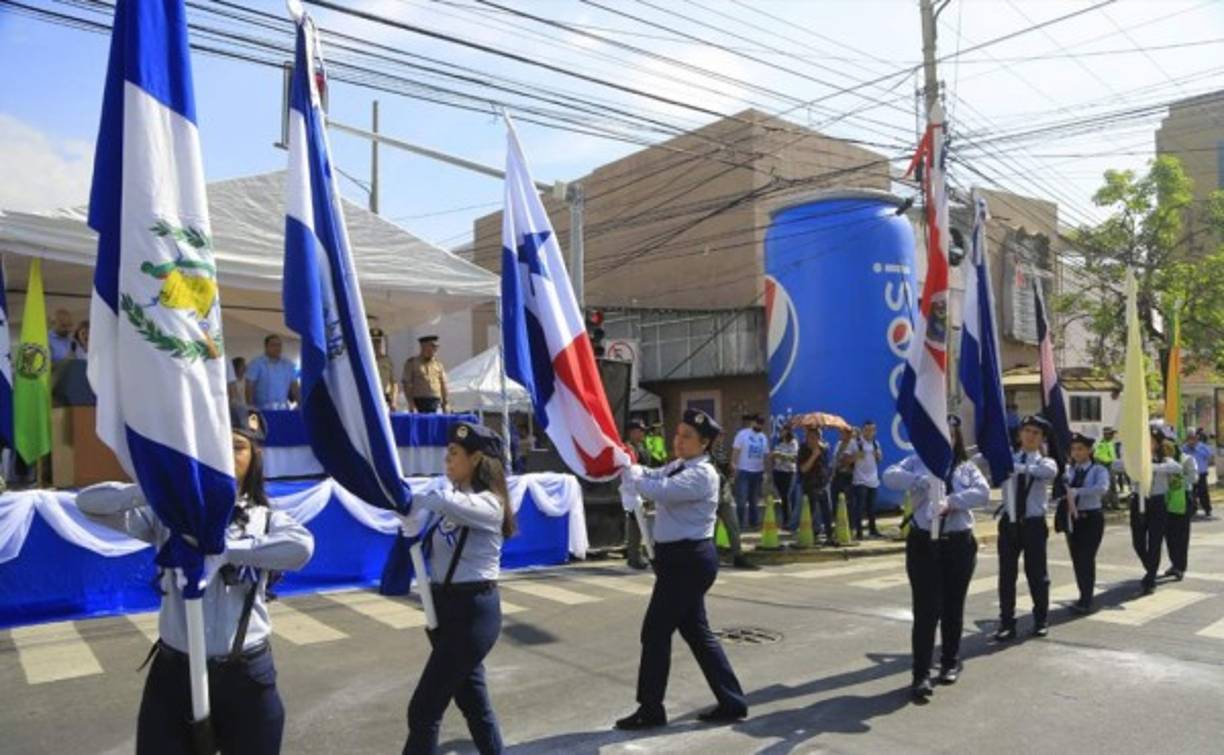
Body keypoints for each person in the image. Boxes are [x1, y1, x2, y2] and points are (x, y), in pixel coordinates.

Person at [77, 408, 314, 754]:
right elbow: (89, 504)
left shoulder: (266, 520)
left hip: (245, 674)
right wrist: (154, 488)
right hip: (175, 674)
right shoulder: (170, 516)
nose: (227, 457)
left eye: (238, 447)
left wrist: (226, 550)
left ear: (255, 457)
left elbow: (301, 548)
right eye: (217, 447)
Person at [615, 409, 748, 730]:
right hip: (678, 561)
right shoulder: (679, 466)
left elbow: (659, 491)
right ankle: (732, 701)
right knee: (697, 634)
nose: (679, 440)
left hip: (688, 562)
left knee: (655, 632)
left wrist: (633, 476)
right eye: (678, 434)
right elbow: (656, 475)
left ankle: (650, 709)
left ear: (704, 443)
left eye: (688, 437)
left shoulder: (703, 474)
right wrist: (630, 466)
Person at [404, 422, 517, 755]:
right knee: (474, 705)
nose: (447, 460)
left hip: (472, 613)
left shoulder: (489, 504)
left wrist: (411, 497)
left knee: (424, 708)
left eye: (454, 454)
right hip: (445, 611)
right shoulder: (454, 501)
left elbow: (442, 501)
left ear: (477, 458)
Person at [884, 416, 989, 700]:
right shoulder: (915, 461)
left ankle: (949, 662)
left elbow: (982, 493)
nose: (945, 440)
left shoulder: (965, 468)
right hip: (923, 544)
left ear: (956, 439)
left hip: (957, 543)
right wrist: (920, 481)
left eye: (950, 434)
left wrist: (951, 502)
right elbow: (889, 476)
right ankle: (920, 675)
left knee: (953, 607)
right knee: (926, 611)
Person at [995, 415, 1058, 641]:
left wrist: (1017, 467)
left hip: (1033, 524)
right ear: (1019, 434)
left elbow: (1047, 473)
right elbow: (983, 459)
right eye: (1027, 431)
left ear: (1042, 438)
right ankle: (1006, 622)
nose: (1030, 436)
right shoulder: (1008, 457)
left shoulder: (1045, 462)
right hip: (1009, 522)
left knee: (1037, 574)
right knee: (1006, 575)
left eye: (1036, 433)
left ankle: (1041, 619)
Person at [1112, 425, 1184, 595]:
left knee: (1154, 541)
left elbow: (1177, 468)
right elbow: (1116, 465)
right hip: (1138, 501)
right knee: (1138, 542)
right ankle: (1150, 567)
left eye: (1151, 441)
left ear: (1157, 444)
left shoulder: (1163, 460)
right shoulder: (1135, 459)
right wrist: (1134, 463)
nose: (1147, 444)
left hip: (1157, 503)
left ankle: (1150, 578)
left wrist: (1150, 467)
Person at [1062, 433, 1110, 614]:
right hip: (1073, 519)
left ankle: (1087, 598)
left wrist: (1078, 491)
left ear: (1089, 450)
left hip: (1092, 518)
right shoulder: (1070, 470)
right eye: (1074, 449)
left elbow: (1102, 489)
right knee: (1076, 558)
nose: (1076, 452)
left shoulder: (1098, 470)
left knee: (1086, 558)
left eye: (1080, 449)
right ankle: (1082, 593)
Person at [1164, 439, 1197, 581]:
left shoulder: (1187, 459)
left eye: (1168, 448)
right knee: (1169, 536)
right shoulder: (1163, 462)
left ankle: (1180, 567)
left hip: (1183, 500)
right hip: (1167, 502)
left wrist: (1179, 479)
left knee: (1181, 537)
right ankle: (1174, 563)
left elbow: (1194, 477)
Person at [795, 427, 833, 544]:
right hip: (809, 484)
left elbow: (826, 466)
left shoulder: (823, 449)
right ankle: (808, 535)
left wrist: (827, 478)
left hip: (822, 483)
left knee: (826, 511)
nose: (811, 441)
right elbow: (803, 469)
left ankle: (829, 536)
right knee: (809, 511)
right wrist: (814, 455)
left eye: (815, 438)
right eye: (809, 438)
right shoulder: (803, 449)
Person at [731, 414, 769, 530]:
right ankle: (740, 524)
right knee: (741, 500)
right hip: (744, 471)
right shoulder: (742, 434)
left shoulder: (763, 437)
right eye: (758, 422)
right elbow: (736, 451)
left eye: (762, 423)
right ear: (753, 422)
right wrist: (734, 465)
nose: (760, 425)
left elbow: (765, 455)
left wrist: (766, 471)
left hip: (758, 472)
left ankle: (754, 523)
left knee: (754, 500)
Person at [624, 419, 652, 570]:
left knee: (641, 522)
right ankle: (634, 556)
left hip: (644, 487)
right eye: (640, 430)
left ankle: (636, 554)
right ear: (631, 432)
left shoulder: (640, 446)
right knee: (636, 522)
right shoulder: (628, 448)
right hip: (634, 490)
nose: (643, 433)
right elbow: (632, 470)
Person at [246, 335, 300, 410]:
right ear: (266, 347)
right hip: (261, 409)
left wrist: (300, 404)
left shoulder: (288, 365)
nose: (277, 348)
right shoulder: (256, 364)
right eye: (273, 345)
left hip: (283, 409)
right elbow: (249, 387)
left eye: (279, 345)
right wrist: (250, 408)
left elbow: (295, 387)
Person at [849, 421, 883, 539]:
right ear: (863, 431)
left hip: (873, 480)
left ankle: (873, 530)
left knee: (872, 508)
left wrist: (878, 455)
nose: (870, 432)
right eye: (867, 429)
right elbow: (845, 460)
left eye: (872, 430)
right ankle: (859, 532)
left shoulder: (876, 443)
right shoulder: (855, 442)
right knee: (859, 507)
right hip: (860, 480)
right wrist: (855, 456)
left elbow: (879, 460)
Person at [401, 335, 449, 414]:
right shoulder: (412, 363)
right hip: (419, 401)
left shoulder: (438, 365)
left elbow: (443, 384)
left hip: (436, 401)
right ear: (423, 346)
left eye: (436, 347)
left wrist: (445, 403)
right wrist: (410, 403)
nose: (435, 349)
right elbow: (407, 384)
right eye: (432, 346)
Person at [770, 427, 799, 525]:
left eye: (783, 431)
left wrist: (781, 455)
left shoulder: (793, 443)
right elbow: (774, 455)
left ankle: (788, 520)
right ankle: (785, 519)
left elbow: (794, 458)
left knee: (786, 496)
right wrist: (773, 456)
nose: (781, 433)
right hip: (778, 471)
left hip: (789, 472)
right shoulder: (779, 443)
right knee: (782, 496)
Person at [1183, 431, 1214, 518]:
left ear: (1197, 439)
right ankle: (1193, 510)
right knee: (1191, 492)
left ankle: (1207, 509)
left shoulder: (1202, 447)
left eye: (1193, 439)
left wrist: (1196, 449)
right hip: (1190, 473)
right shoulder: (1184, 448)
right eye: (1189, 439)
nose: (1191, 441)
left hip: (1201, 474)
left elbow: (1209, 455)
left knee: (1203, 492)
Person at [830, 426, 855, 529]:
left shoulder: (853, 445)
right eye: (840, 433)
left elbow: (851, 460)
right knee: (835, 500)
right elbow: (836, 460)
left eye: (843, 433)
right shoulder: (839, 444)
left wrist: (846, 461)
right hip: (837, 475)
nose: (841, 435)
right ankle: (838, 524)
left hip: (848, 476)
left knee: (848, 502)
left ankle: (850, 526)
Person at [371, 327, 399, 410]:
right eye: (373, 342)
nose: (376, 344)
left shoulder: (387, 360)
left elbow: (394, 383)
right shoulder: (364, 360)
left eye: (378, 341)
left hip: (384, 397)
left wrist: (394, 400)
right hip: (370, 395)